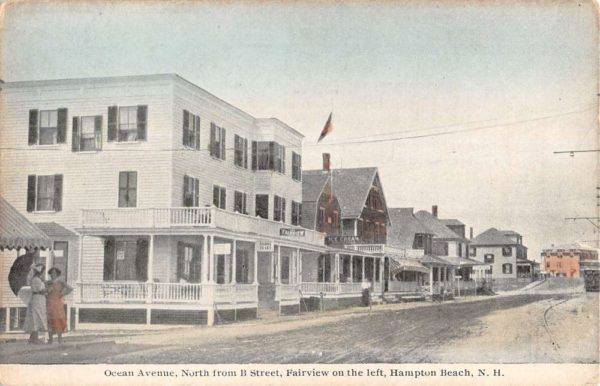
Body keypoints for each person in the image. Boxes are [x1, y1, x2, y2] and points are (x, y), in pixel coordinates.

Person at [46, 267, 73, 344]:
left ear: (57, 274)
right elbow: (45, 291)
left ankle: (59, 339)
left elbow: (70, 288)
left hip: (57, 302)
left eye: (54, 273)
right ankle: (50, 339)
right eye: (51, 273)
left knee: (58, 320)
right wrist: (47, 291)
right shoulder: (48, 283)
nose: (52, 274)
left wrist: (62, 294)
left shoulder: (60, 282)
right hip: (49, 302)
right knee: (50, 321)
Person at [23, 263, 47, 344]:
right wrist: (46, 291)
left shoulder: (38, 279)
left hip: (40, 299)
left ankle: (32, 338)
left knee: (38, 316)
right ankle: (35, 338)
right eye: (42, 271)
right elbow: (39, 290)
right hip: (37, 299)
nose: (43, 272)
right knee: (36, 317)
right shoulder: (36, 279)